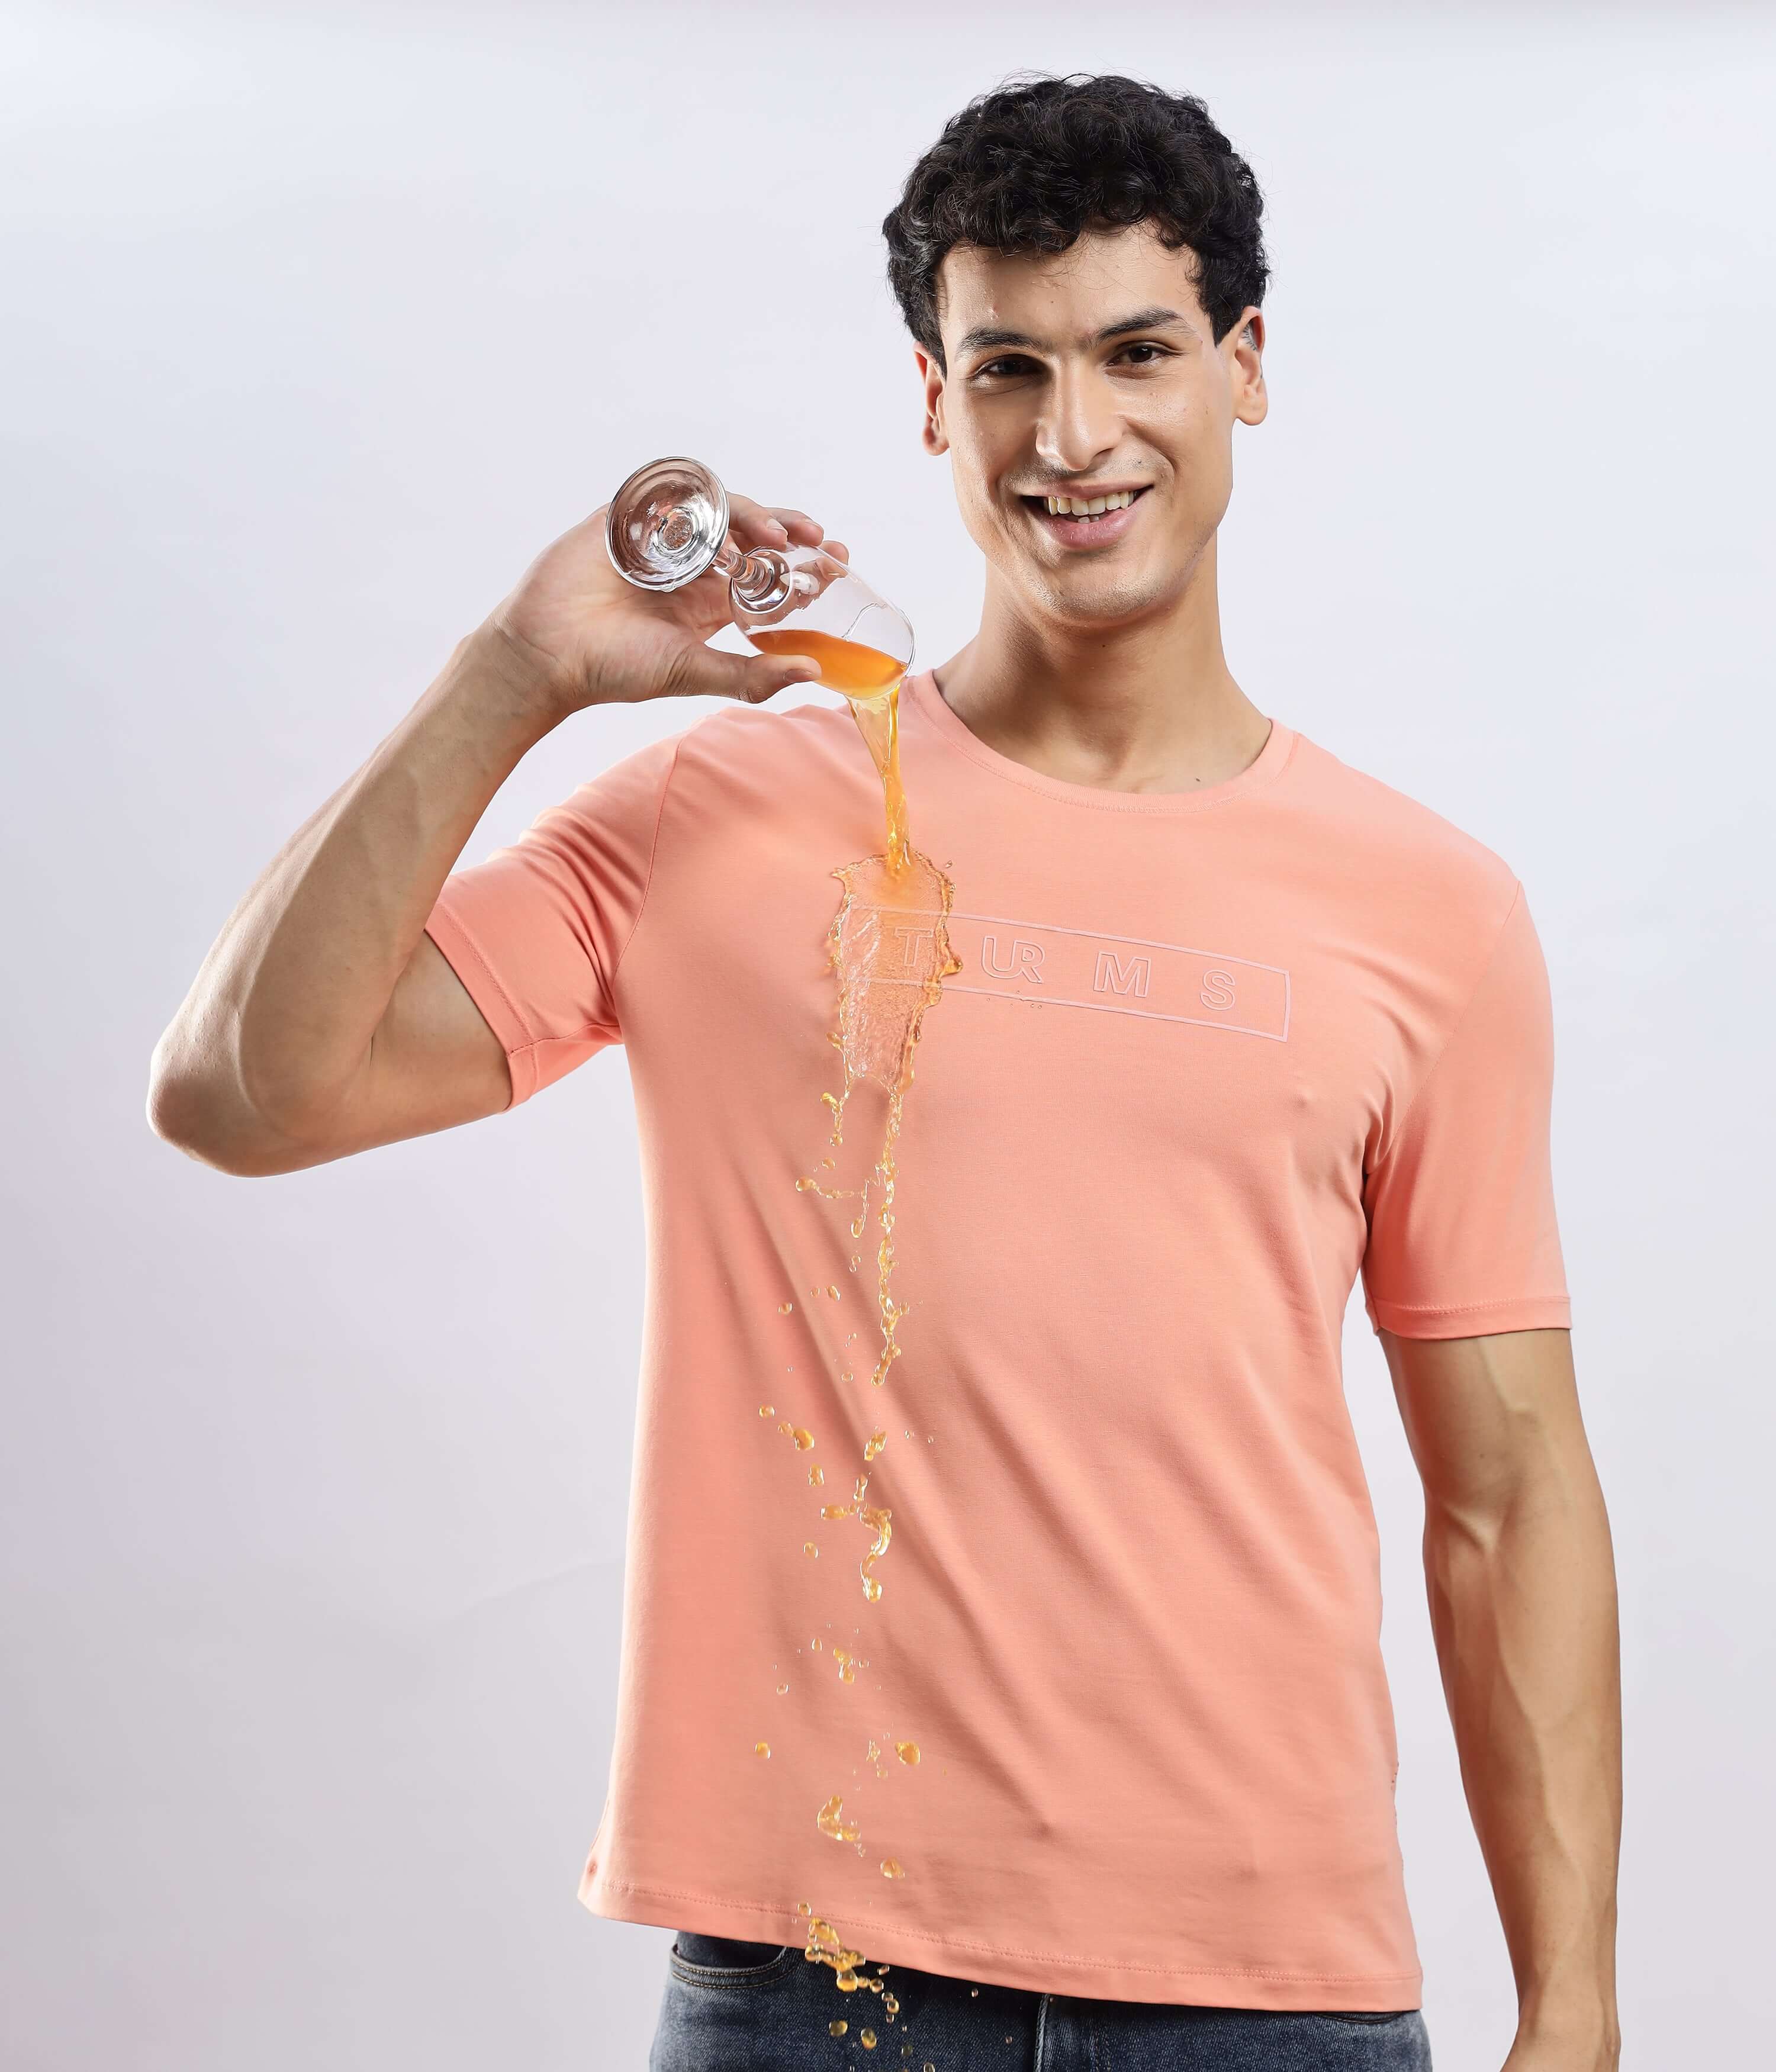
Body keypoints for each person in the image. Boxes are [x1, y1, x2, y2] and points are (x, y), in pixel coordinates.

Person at [147, 72, 1621, 2072]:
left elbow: (1511, 1489)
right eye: (1008, 363)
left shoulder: (1431, 910)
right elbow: (244, 1091)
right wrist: (521, 670)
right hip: (810, 1992)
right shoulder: (717, 820)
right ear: (934, 396)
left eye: (1137, 353)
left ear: (1244, 367)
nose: (1075, 434)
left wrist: (1581, 2011)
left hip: (1275, 2007)